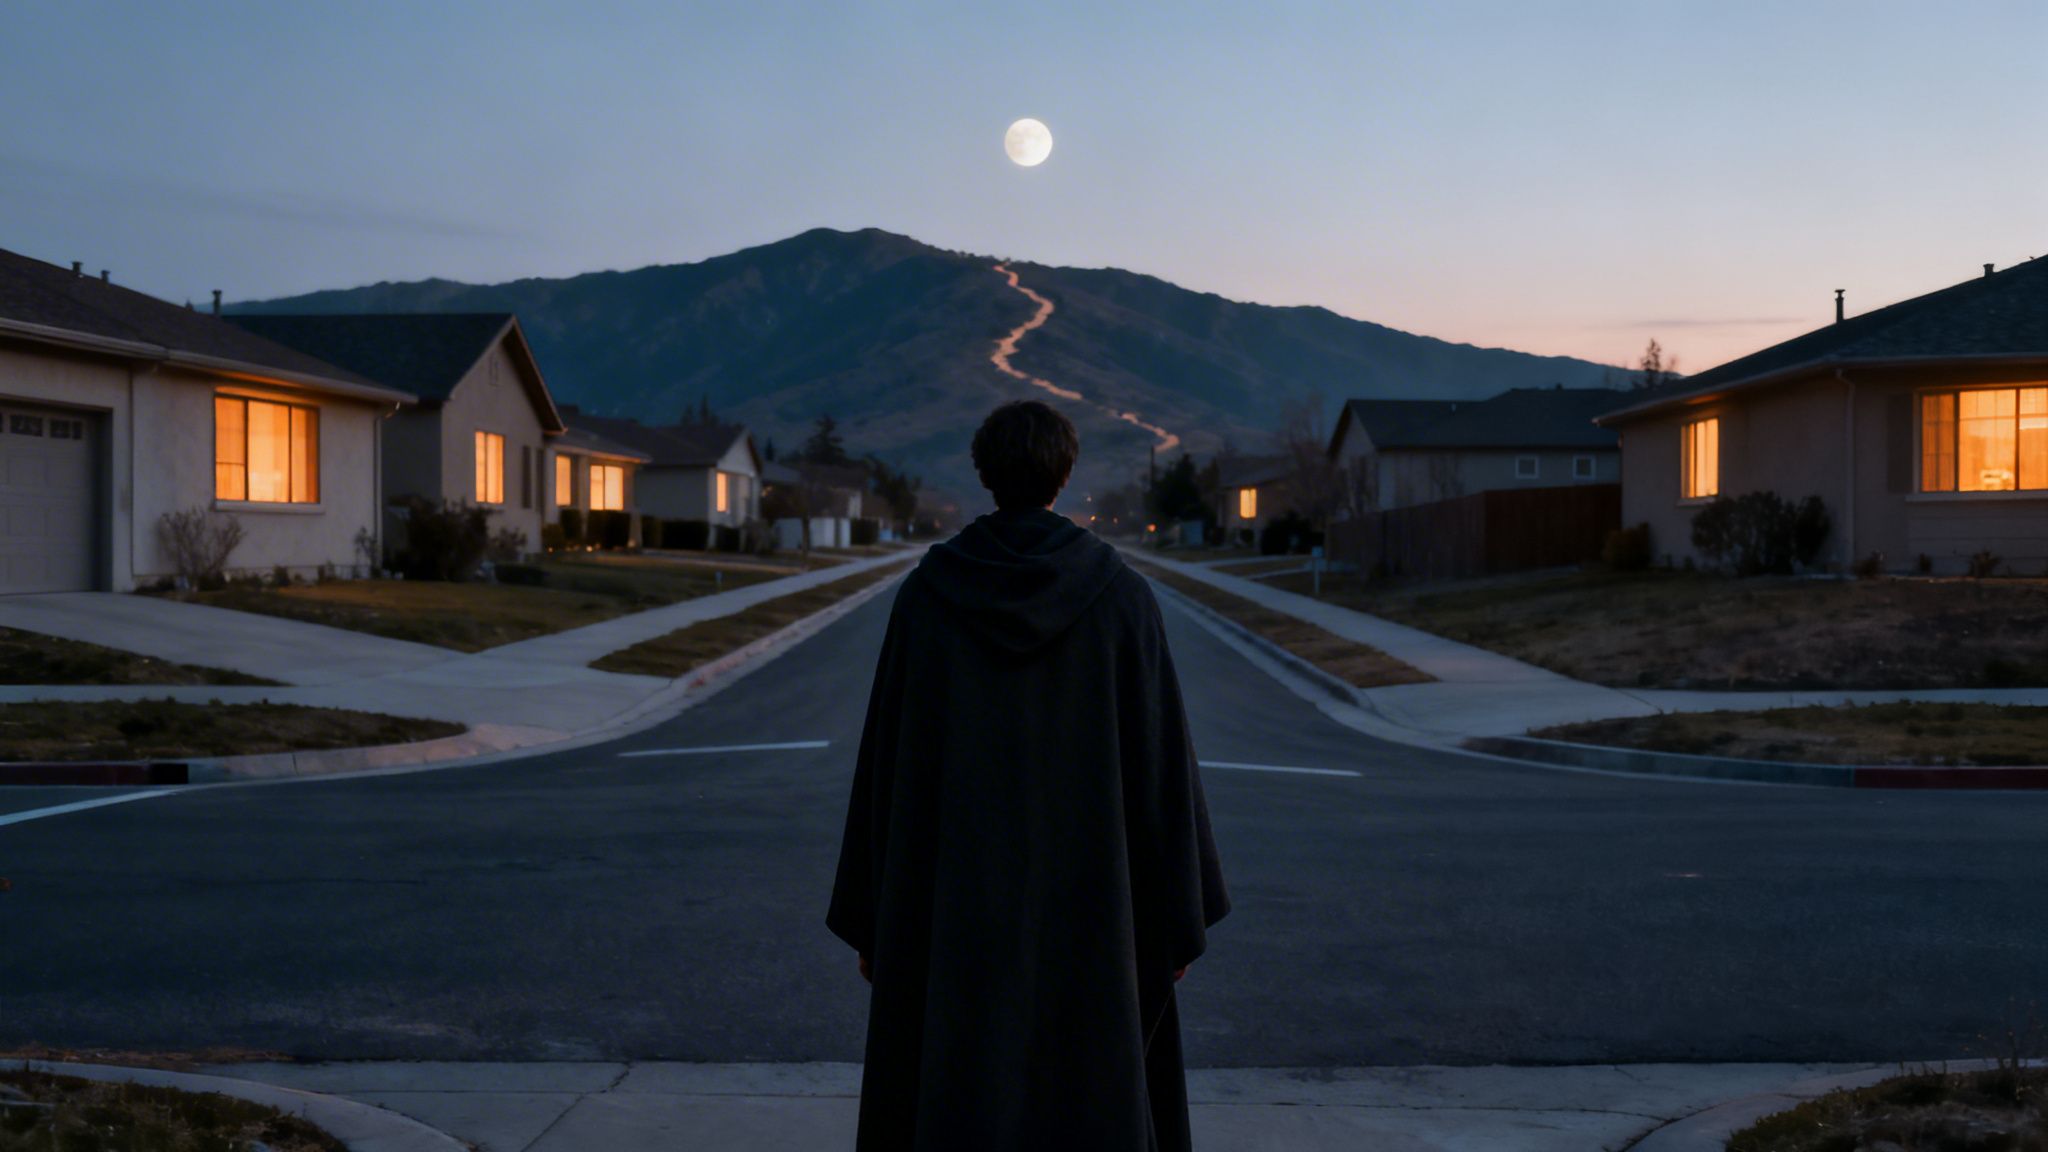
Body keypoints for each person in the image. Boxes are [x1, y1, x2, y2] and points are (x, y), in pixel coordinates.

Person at [828, 400, 1229, 1151]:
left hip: (954, 917)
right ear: (1064, 473)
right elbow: (1161, 771)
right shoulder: (1121, 599)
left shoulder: (927, 598)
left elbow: (888, 771)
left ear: (984, 473)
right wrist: (1173, 915)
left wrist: (877, 916)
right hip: (1093, 919)